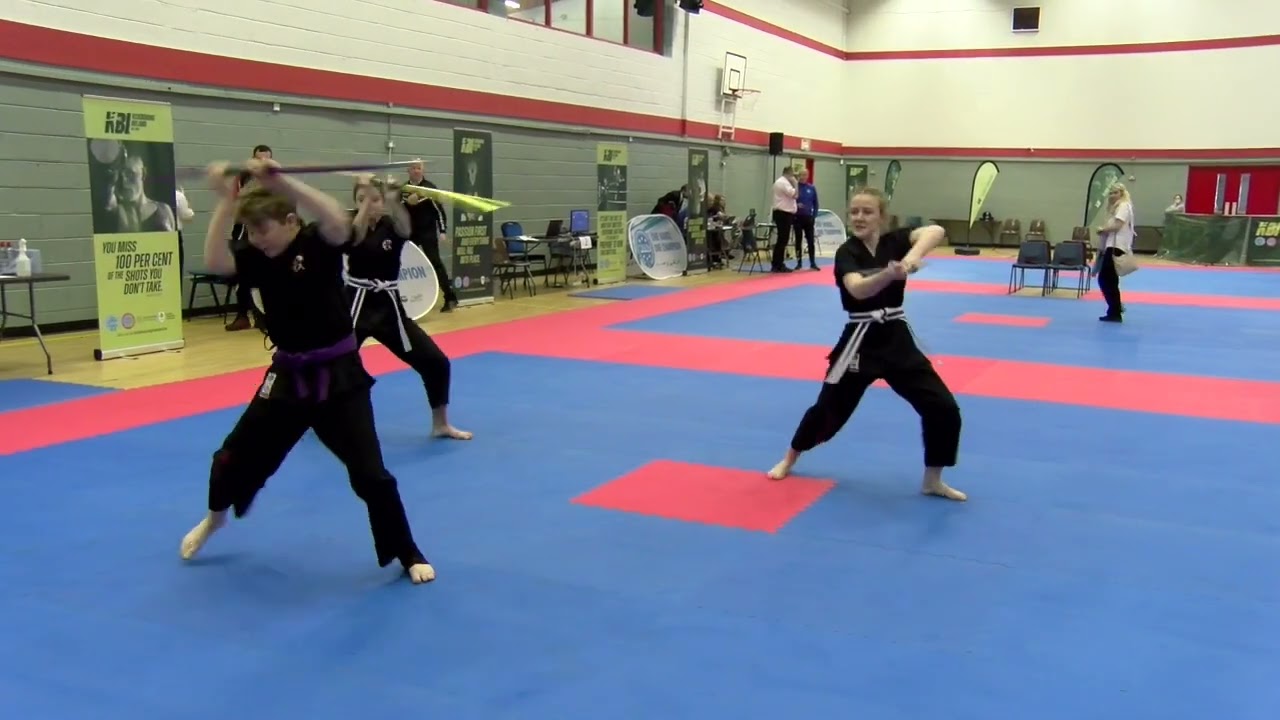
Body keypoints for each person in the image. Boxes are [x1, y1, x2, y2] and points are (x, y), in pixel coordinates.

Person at [179, 158, 435, 585]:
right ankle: (214, 519)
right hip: (287, 376)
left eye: (263, 230)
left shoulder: (317, 243)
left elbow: (335, 217)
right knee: (230, 456)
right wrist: (226, 201)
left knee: (371, 474)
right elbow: (215, 260)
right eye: (251, 232)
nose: (257, 240)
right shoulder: (257, 256)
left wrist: (284, 181)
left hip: (340, 378)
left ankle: (406, 551)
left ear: (291, 221)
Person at [766, 188, 966, 502]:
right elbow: (857, 290)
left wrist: (911, 259)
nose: (859, 217)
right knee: (827, 410)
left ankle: (932, 480)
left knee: (943, 408)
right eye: (854, 211)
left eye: (867, 211)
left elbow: (936, 231)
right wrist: (888, 274)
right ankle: (790, 457)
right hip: (859, 341)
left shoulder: (894, 242)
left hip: (896, 338)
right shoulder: (847, 252)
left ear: (881, 217)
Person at [346, 175, 472, 440]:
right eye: (361, 199)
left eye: (375, 199)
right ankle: (317, 419)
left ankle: (441, 424)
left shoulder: (391, 226)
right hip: (354, 308)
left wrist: (394, 198)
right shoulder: (348, 224)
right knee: (330, 366)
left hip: (389, 310)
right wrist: (367, 202)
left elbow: (405, 228)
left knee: (436, 362)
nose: (368, 204)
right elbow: (354, 238)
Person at [226, 144, 274, 331]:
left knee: (266, 277)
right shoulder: (243, 178)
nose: (263, 162)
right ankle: (242, 316)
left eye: (267, 159)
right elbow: (235, 205)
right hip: (243, 234)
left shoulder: (277, 179)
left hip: (267, 235)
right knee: (242, 276)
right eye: (259, 159)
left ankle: (265, 317)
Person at [401, 161, 458, 312]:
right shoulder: (404, 189)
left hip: (427, 232)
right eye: (413, 168)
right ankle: (407, 299)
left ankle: (450, 296)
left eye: (419, 168)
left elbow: (439, 212)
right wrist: (407, 203)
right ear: (408, 171)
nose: (416, 171)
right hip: (410, 234)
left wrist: (443, 231)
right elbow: (399, 212)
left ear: (423, 171)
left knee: (435, 262)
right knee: (405, 264)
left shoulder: (429, 188)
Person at [1094, 183, 1136, 323]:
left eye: (1115, 192)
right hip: (1112, 245)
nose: (1112, 195)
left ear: (1122, 193)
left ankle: (1115, 309)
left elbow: (1117, 225)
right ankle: (1114, 309)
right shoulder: (1116, 207)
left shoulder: (1123, 206)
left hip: (1116, 246)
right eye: (1110, 193)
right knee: (1110, 279)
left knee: (1105, 278)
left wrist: (1103, 229)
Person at [769, 167, 798, 273]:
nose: (793, 177)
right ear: (789, 173)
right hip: (783, 213)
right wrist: (796, 184)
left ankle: (777, 263)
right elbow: (795, 195)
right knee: (782, 239)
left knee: (782, 239)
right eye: (792, 175)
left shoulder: (782, 182)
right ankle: (778, 264)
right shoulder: (783, 183)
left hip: (784, 213)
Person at [794, 168, 819, 271]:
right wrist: (796, 205)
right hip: (797, 217)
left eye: (805, 175)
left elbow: (816, 203)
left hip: (808, 218)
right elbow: (790, 201)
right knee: (798, 240)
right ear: (798, 176)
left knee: (810, 241)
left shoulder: (811, 188)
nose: (803, 177)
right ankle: (799, 262)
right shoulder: (795, 187)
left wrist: (814, 215)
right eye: (801, 175)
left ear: (808, 176)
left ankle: (812, 262)